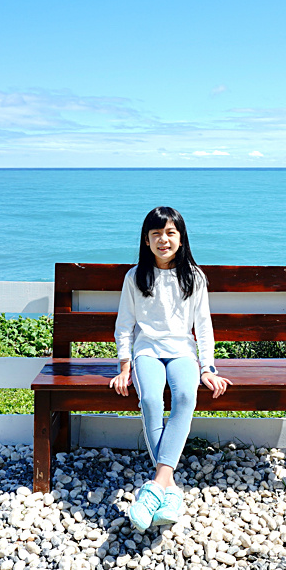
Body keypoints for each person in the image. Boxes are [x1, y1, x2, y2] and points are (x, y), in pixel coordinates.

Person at [110, 206, 231, 530]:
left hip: (182, 353)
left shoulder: (194, 277)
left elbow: (203, 326)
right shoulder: (135, 277)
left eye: (170, 233)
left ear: (180, 237)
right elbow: (125, 325)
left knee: (186, 398)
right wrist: (124, 366)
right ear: (146, 241)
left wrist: (208, 368)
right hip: (147, 351)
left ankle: (157, 485)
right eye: (156, 234)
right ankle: (170, 488)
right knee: (150, 399)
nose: (163, 240)